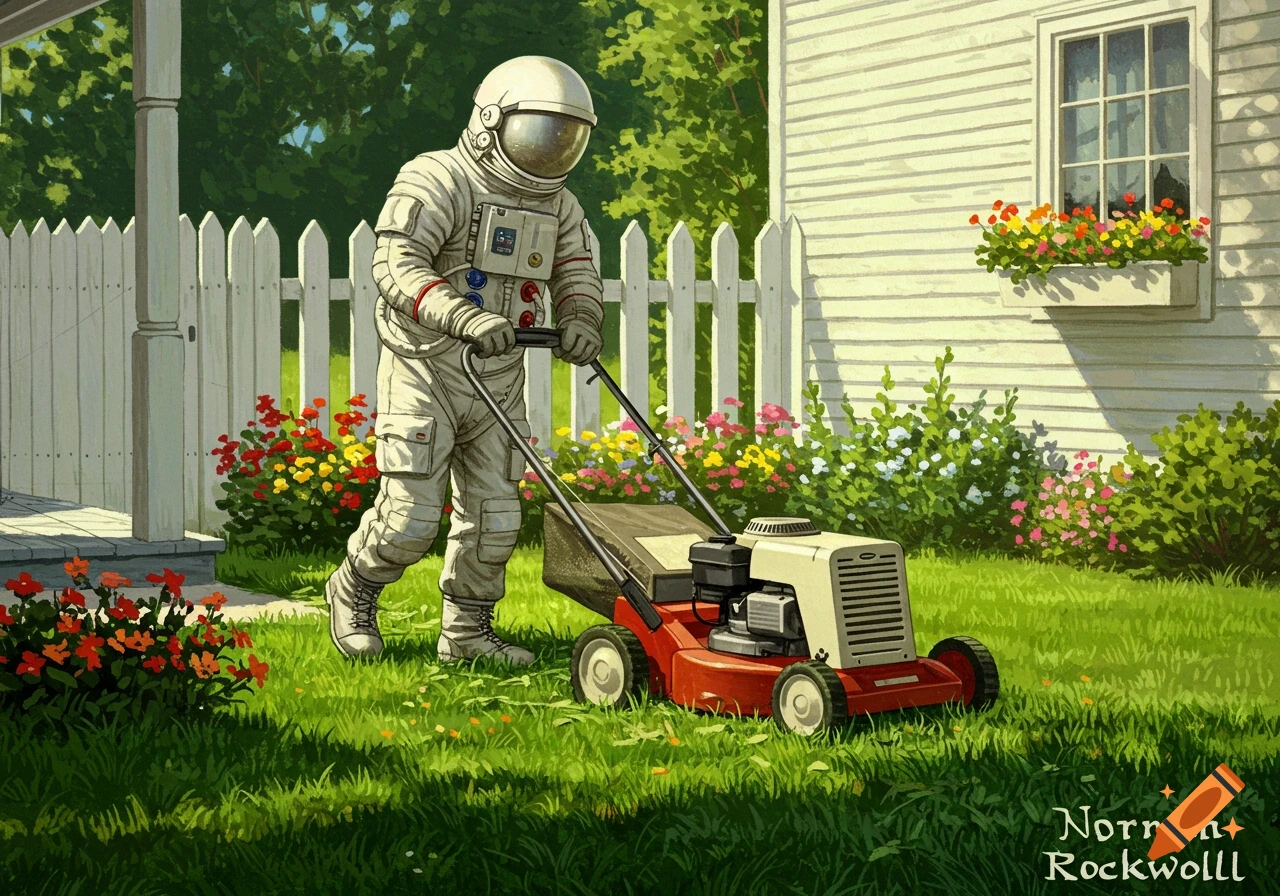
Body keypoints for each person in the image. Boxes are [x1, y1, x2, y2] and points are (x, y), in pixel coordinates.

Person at [324, 56, 605, 665]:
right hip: (427, 369)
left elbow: (576, 269)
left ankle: (468, 633)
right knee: (409, 520)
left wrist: (581, 320)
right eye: (540, 131)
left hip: (499, 375)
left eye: (565, 136)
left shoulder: (559, 206)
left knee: (496, 518)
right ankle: (352, 589)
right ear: (491, 122)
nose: (551, 148)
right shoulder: (437, 178)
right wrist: (463, 315)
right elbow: (397, 266)